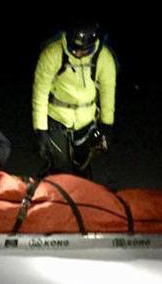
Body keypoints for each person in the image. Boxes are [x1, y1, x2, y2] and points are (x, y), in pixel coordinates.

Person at [32, 21, 117, 179]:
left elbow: (107, 95)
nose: (78, 53)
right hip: (57, 118)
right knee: (59, 166)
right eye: (74, 48)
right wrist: (41, 130)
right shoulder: (52, 53)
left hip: (86, 121)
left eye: (83, 50)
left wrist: (107, 126)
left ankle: (83, 199)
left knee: (83, 166)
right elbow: (40, 94)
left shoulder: (104, 58)